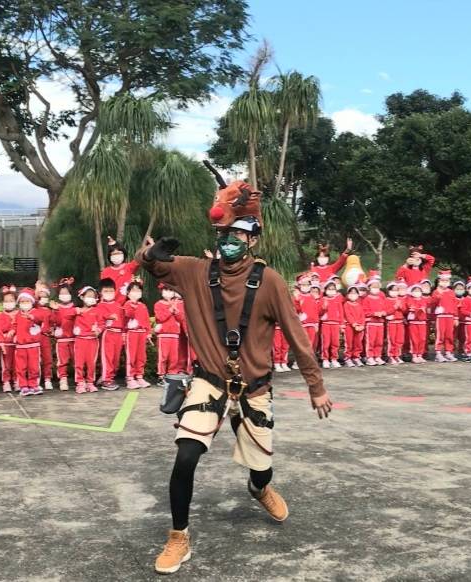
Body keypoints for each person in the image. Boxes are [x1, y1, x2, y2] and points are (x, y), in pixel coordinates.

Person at [138, 180, 331, 575]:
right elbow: (156, 264)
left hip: (254, 387)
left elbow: (297, 337)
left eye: (238, 234)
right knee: (185, 456)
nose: (229, 240)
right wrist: (150, 255)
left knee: (261, 467)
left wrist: (317, 387)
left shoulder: (271, 282)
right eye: (224, 234)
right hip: (209, 381)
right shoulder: (195, 271)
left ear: (253, 240)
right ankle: (178, 537)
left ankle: (259, 488)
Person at [13, 288, 46, 396]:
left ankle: (34, 384)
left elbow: (40, 319)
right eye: (22, 301)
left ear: (32, 302)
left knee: (34, 366)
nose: (25, 303)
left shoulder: (36, 312)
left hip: (33, 345)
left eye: (27, 301)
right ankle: (23, 385)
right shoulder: (17, 314)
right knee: (21, 367)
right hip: (21, 346)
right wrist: (12, 332)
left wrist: (31, 317)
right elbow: (14, 325)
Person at [73, 286, 101, 393]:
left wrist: (99, 330)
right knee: (79, 362)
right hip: (80, 340)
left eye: (93, 296)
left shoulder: (97, 311)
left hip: (93, 340)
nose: (91, 298)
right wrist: (76, 311)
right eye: (88, 296)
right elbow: (65, 315)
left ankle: (90, 382)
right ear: (82, 297)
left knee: (91, 363)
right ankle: (80, 382)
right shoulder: (77, 311)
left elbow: (102, 323)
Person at [123, 280, 150, 388]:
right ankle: (130, 378)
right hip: (132, 333)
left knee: (141, 356)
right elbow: (127, 315)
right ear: (128, 293)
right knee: (132, 355)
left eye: (138, 290)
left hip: (142, 333)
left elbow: (147, 320)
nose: (136, 292)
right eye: (133, 290)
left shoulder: (143, 306)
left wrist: (148, 332)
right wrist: (132, 305)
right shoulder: (127, 304)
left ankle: (139, 376)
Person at [52, 277, 77, 391]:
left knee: (77, 360)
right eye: (62, 293)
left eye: (66, 293)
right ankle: (63, 378)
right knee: (62, 361)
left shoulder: (75, 308)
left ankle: (79, 378)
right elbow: (55, 322)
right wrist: (56, 311)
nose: (64, 295)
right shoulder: (56, 308)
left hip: (74, 339)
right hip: (62, 340)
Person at [154, 283, 183, 378]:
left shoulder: (176, 304)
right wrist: (170, 310)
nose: (168, 292)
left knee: (174, 357)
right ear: (161, 291)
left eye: (171, 290)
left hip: (174, 335)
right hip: (163, 335)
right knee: (163, 357)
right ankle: (161, 375)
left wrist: (177, 312)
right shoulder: (158, 304)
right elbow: (160, 317)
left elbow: (181, 318)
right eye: (166, 290)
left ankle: (172, 373)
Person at [431, 270, 458, 362]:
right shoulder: (436, 292)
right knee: (440, 335)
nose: (444, 283)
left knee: (449, 335)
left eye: (446, 281)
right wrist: (438, 295)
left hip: (450, 317)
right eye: (442, 281)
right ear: (438, 281)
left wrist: (455, 317)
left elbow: (455, 306)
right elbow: (433, 304)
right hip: (440, 317)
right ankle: (438, 353)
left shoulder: (451, 292)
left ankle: (448, 352)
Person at [361, 273, 387, 366]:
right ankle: (370, 357)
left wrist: (384, 312)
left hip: (380, 323)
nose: (376, 288)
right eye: (373, 286)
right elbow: (364, 311)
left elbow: (385, 308)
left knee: (379, 341)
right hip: (371, 323)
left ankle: (378, 356)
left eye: (377, 287)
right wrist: (374, 313)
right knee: (370, 341)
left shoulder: (381, 298)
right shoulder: (366, 299)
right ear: (369, 287)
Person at [34, 282, 55, 390]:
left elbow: (53, 322)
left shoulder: (49, 310)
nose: (43, 298)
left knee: (47, 358)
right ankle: (35, 380)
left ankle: (47, 379)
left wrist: (55, 311)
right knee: (35, 360)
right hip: (35, 338)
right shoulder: (33, 309)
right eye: (40, 296)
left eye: (45, 296)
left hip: (45, 337)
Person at [318, 279, 344, 368]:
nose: (331, 291)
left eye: (333, 289)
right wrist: (324, 309)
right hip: (326, 324)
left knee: (335, 342)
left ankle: (334, 359)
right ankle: (325, 359)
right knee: (326, 342)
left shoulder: (338, 299)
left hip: (336, 324)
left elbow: (341, 312)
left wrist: (342, 324)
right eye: (329, 289)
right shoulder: (323, 299)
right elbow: (319, 312)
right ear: (325, 290)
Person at [0, 286, 18, 392]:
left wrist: (14, 330)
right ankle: (6, 381)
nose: (9, 302)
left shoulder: (19, 314)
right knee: (6, 365)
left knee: (17, 364)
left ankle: (16, 380)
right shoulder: (0, 316)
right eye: (6, 301)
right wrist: (1, 341)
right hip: (6, 344)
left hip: (17, 344)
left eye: (11, 300)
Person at [405, 284, 429, 363]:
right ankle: (414, 354)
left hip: (422, 322)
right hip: (413, 322)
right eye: (415, 291)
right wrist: (418, 309)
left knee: (422, 339)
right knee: (414, 339)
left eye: (418, 291)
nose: (417, 292)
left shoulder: (423, 300)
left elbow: (423, 307)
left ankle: (420, 354)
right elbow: (411, 307)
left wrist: (417, 309)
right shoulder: (410, 299)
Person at [342, 284, 365, 367]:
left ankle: (356, 357)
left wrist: (362, 324)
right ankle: (348, 358)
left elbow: (362, 315)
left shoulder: (359, 305)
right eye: (351, 293)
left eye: (355, 293)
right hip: (350, 326)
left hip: (359, 327)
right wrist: (354, 324)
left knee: (358, 343)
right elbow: (348, 315)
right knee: (349, 343)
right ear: (348, 295)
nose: (353, 294)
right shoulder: (346, 304)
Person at [384, 281, 407, 365]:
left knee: (399, 340)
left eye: (396, 290)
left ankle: (397, 355)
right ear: (389, 291)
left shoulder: (400, 299)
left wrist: (401, 307)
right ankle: (390, 356)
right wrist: (394, 307)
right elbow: (386, 311)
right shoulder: (386, 300)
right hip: (392, 322)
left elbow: (405, 310)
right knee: (392, 339)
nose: (395, 292)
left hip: (400, 322)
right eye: (393, 290)